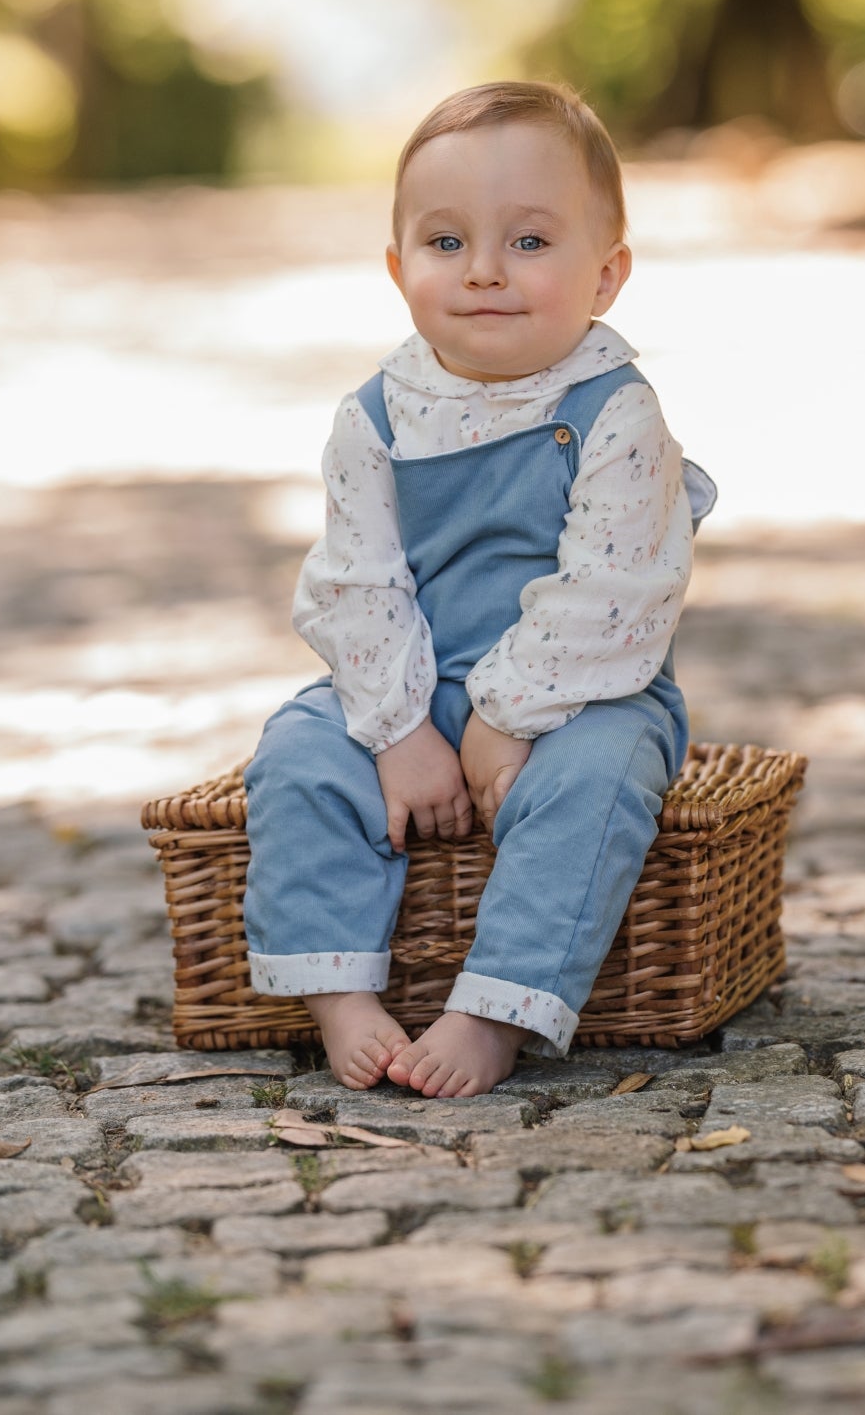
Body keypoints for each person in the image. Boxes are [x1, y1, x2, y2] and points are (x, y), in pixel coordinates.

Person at [242, 80, 715, 1099]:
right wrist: (400, 728)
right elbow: (355, 583)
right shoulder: (377, 414)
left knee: (596, 781)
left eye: (532, 243)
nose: (486, 272)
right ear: (396, 267)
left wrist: (503, 718)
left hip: (583, 691)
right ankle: (340, 991)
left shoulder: (615, 413)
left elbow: (614, 590)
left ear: (607, 274)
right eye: (446, 242)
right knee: (297, 749)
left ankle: (495, 1005)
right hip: (411, 681)